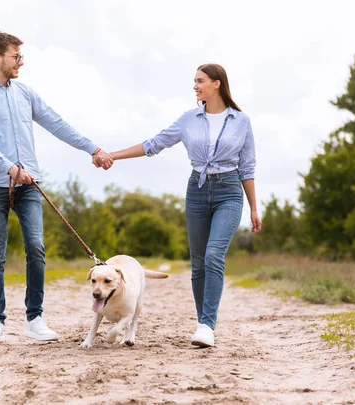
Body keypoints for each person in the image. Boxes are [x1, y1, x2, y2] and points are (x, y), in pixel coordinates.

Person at [0, 32, 113, 343]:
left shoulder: (25, 93)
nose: (21, 61)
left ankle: (35, 318)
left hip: (29, 184)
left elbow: (57, 123)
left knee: (36, 247)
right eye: (16, 56)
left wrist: (93, 149)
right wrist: (10, 168)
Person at [106, 63, 262, 347]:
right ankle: (202, 320)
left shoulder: (241, 121)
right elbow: (155, 143)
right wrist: (114, 156)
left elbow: (247, 168)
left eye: (199, 81)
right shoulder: (189, 119)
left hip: (229, 191)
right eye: (194, 81)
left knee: (214, 255)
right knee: (199, 263)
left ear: (216, 84)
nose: (195, 86)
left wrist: (253, 207)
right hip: (197, 191)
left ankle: (207, 326)